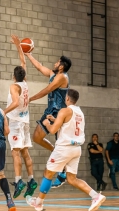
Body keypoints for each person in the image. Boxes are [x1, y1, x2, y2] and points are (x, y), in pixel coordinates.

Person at [25, 89, 106, 211]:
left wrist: (47, 123)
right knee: (72, 179)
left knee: (48, 173)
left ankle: (38, 203)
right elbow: (67, 126)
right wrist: (54, 120)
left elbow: (52, 130)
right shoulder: (80, 112)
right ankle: (96, 196)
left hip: (64, 149)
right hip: (76, 149)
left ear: (67, 98)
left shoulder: (64, 111)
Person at [25, 52, 72, 188]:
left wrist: (31, 99)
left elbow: (47, 90)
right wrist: (29, 55)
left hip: (57, 113)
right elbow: (39, 67)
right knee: (37, 137)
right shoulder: (54, 74)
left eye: (57, 62)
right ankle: (61, 169)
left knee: (60, 146)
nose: (55, 63)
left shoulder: (62, 77)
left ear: (62, 67)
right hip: (50, 111)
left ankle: (62, 173)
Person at [4, 34, 37, 199]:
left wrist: (3, 111)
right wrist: (19, 47)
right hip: (25, 121)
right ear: (23, 76)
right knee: (25, 152)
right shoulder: (25, 83)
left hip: (16, 122)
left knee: (15, 153)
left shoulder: (14, 86)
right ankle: (31, 179)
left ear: (13, 77)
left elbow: (16, 102)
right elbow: (23, 63)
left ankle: (18, 181)